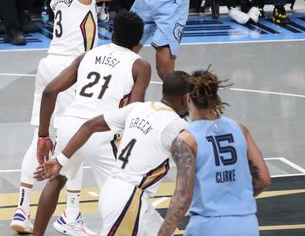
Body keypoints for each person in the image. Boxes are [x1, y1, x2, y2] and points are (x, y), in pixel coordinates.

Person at [13, 0, 157, 234]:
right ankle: (71, 214)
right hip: (71, 66)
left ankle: (23, 207)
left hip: (50, 65)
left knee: (43, 137)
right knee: (75, 138)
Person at [29, 10, 154, 236]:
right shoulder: (140, 65)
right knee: (122, 194)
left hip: (70, 128)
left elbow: (50, 92)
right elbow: (134, 112)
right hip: (103, 131)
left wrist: (43, 136)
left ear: (112, 33)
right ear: (139, 42)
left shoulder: (87, 55)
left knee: (56, 181)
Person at [36, 71, 190, 236]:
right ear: (186, 98)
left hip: (115, 191)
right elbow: (189, 182)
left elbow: (90, 125)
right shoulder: (176, 125)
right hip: (128, 200)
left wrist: (60, 160)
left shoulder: (138, 108)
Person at [158, 69, 271, 236]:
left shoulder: (186, 140)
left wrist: (163, 233)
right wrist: (236, 203)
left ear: (187, 98)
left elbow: (183, 197)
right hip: (246, 224)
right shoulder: (240, 129)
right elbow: (263, 179)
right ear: (215, 97)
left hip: (208, 225)